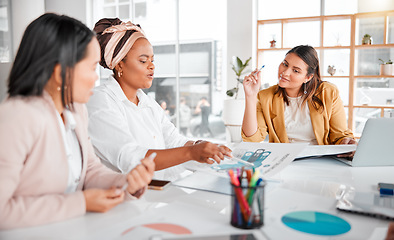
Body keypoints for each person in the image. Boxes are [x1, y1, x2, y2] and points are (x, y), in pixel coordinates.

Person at [0, 13, 155, 230]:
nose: (96, 77)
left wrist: (126, 182)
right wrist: (81, 203)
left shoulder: (75, 109)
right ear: (60, 72)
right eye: (91, 68)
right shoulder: (17, 118)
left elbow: (90, 170)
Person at [87, 18, 232, 180]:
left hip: (157, 193)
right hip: (123, 198)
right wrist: (191, 152)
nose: (152, 66)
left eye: (152, 60)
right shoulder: (100, 101)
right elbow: (130, 158)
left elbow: (174, 141)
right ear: (119, 65)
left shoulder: (147, 103)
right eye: (143, 60)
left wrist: (205, 149)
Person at [242, 45, 356, 156]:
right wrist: (250, 97)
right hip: (284, 160)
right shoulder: (266, 96)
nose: (285, 73)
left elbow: (339, 135)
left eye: (296, 71)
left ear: (308, 77)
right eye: (285, 64)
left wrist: (346, 143)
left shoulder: (327, 92)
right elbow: (252, 139)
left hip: (321, 161)